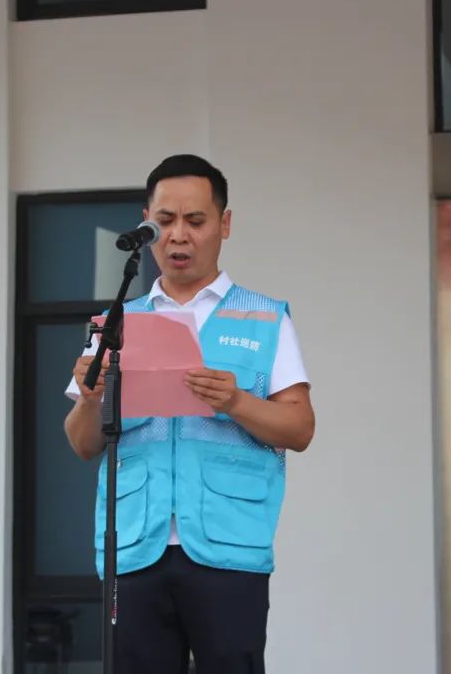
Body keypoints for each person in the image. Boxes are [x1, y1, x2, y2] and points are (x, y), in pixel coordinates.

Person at [63, 154, 316, 674]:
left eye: (196, 221)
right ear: (146, 224)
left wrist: (236, 402)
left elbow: (300, 428)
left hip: (228, 545)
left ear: (225, 223)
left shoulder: (263, 317)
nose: (179, 235)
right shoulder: (117, 322)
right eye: (166, 220)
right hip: (134, 546)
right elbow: (83, 443)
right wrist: (90, 400)